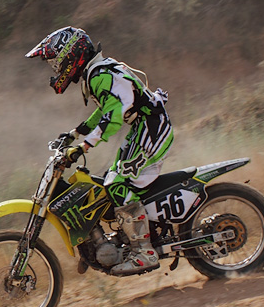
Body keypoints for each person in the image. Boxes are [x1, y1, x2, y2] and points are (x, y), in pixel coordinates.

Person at [26, 27, 173, 276]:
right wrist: (74, 133)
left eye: (56, 62)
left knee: (116, 184)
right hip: (144, 128)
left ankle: (144, 252)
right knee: (108, 182)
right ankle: (103, 243)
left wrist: (82, 146)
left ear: (71, 55)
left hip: (151, 130)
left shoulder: (99, 74)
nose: (56, 70)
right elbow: (105, 111)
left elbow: (113, 118)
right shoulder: (97, 71)